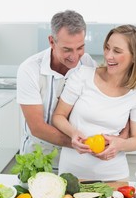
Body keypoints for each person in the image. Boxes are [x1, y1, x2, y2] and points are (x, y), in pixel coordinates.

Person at [17, 10, 128, 155]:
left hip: (75, 156)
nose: (75, 56)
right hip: (38, 154)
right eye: (67, 49)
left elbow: (113, 104)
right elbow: (37, 127)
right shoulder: (29, 69)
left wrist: (121, 140)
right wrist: (83, 145)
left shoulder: (88, 64)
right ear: (52, 41)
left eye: (80, 47)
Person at [52, 24, 136, 181]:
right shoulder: (83, 76)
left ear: (135, 56)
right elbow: (58, 116)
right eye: (107, 48)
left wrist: (119, 144)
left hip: (114, 175)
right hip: (72, 173)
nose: (108, 56)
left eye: (117, 51)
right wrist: (73, 133)